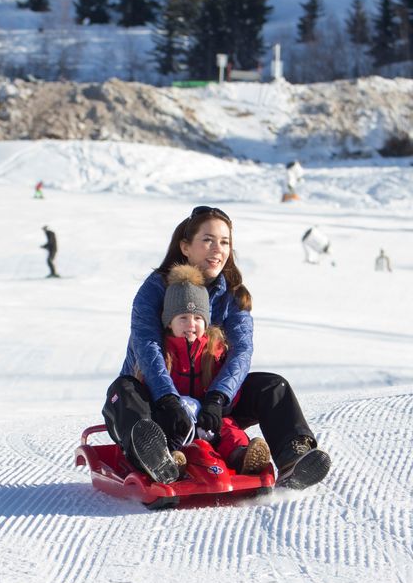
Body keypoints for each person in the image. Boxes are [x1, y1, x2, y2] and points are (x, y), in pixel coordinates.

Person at [101, 205, 331, 490]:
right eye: (208, 240)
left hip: (210, 400)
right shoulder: (155, 289)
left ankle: (293, 457)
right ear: (185, 246)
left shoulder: (233, 293)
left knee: (274, 387)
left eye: (225, 242)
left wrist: (218, 397)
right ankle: (156, 456)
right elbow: (146, 347)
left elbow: (241, 352)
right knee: (123, 390)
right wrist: (167, 399)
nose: (218, 249)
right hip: (156, 402)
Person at [131, 263, 272, 481]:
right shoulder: (163, 352)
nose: (191, 324)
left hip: (205, 417)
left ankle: (242, 456)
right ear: (169, 323)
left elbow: (231, 388)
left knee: (228, 428)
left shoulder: (214, 351)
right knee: (168, 431)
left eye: (197, 318)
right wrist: (170, 406)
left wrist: (216, 405)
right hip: (174, 418)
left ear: (206, 322)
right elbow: (149, 384)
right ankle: (170, 462)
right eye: (182, 318)